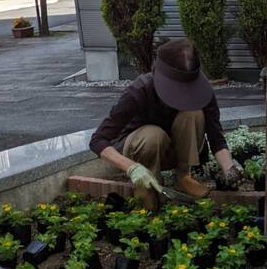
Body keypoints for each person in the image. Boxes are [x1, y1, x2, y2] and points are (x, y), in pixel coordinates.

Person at [89, 38, 243, 208]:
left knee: (194, 112)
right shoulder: (139, 91)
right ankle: (145, 191)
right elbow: (98, 140)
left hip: (173, 153)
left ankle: (183, 178)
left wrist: (229, 168)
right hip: (140, 153)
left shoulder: (201, 92)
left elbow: (216, 137)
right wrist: (132, 168)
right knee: (152, 135)